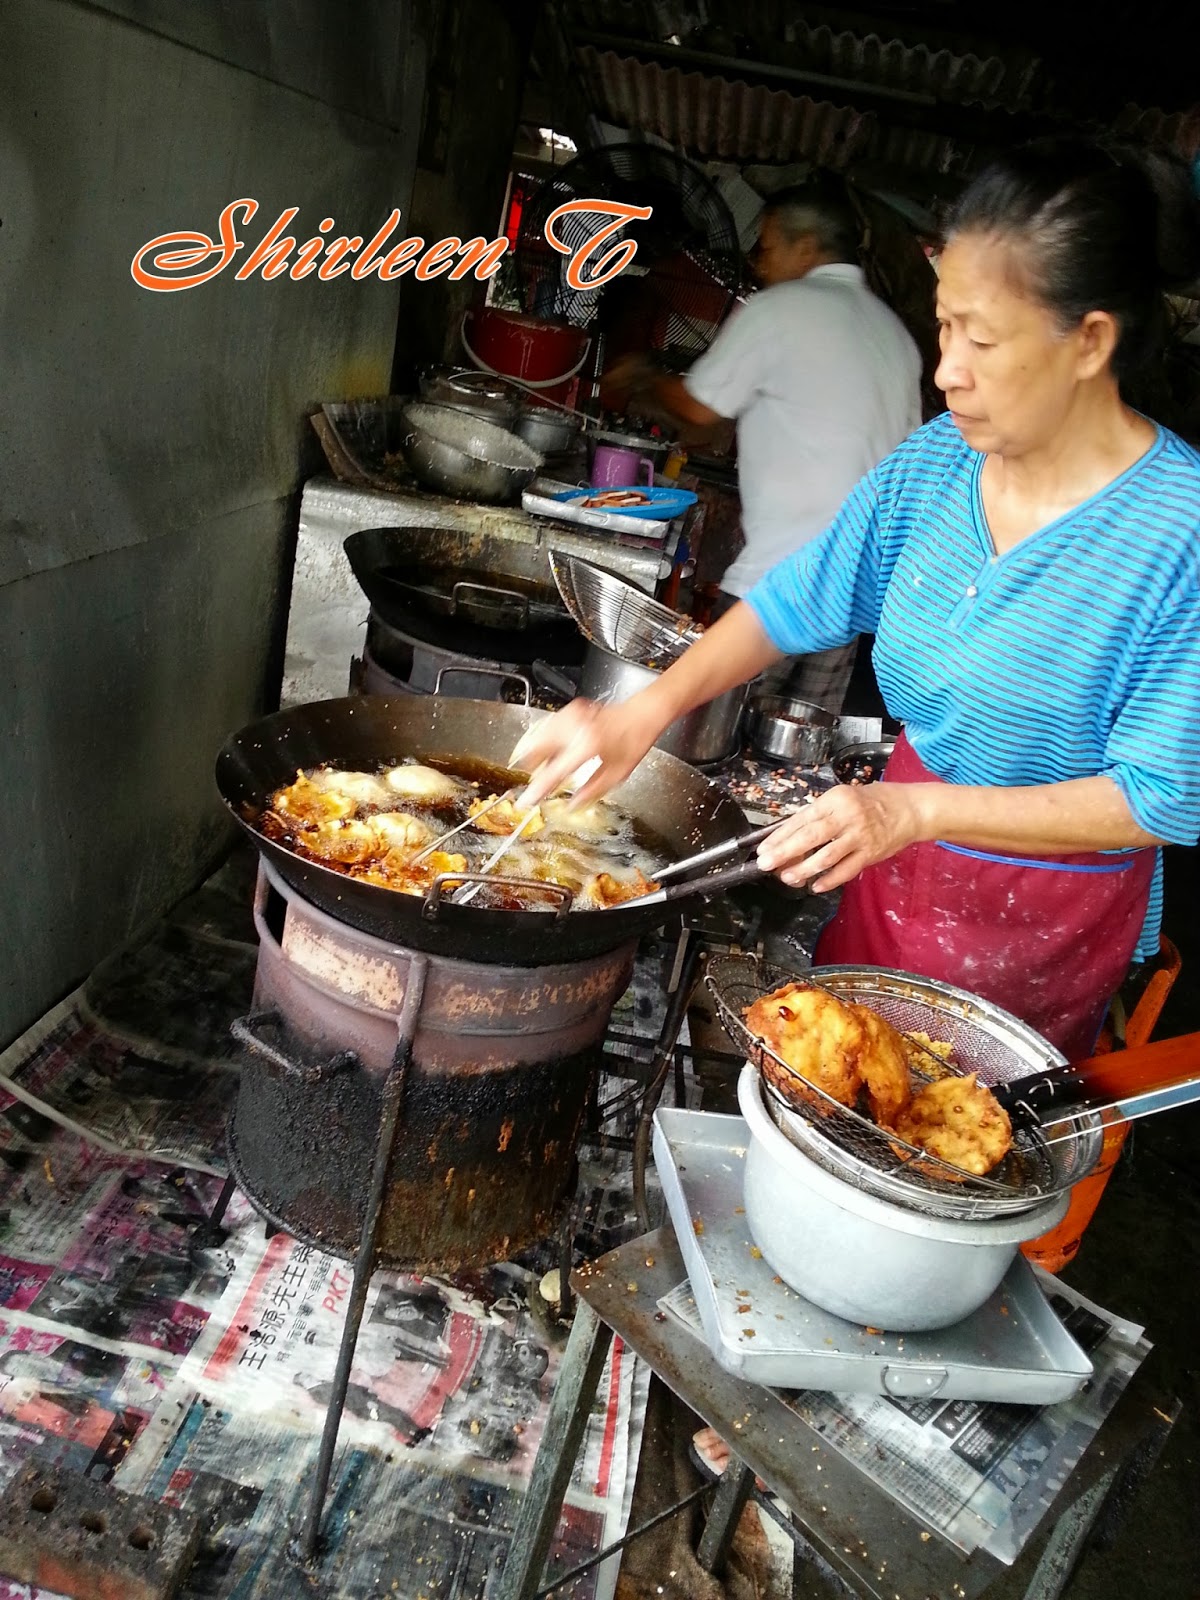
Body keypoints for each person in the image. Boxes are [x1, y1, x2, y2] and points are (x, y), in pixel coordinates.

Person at [514, 139, 1200, 1064]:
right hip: (894, 870)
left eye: (981, 340)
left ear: (1091, 341)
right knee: (842, 1078)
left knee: (954, 1143)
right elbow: (795, 601)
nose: (947, 368)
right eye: (943, 326)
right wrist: (643, 714)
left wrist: (916, 814)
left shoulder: (1177, 531)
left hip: (1043, 917)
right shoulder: (934, 464)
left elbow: (1158, 799)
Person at [605, 180, 923, 714]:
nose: (757, 263)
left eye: (767, 247)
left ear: (806, 247)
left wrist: (642, 374)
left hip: (774, 588)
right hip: (851, 594)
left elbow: (701, 409)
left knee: (713, 741)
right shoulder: (895, 336)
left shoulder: (778, 308)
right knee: (791, 760)